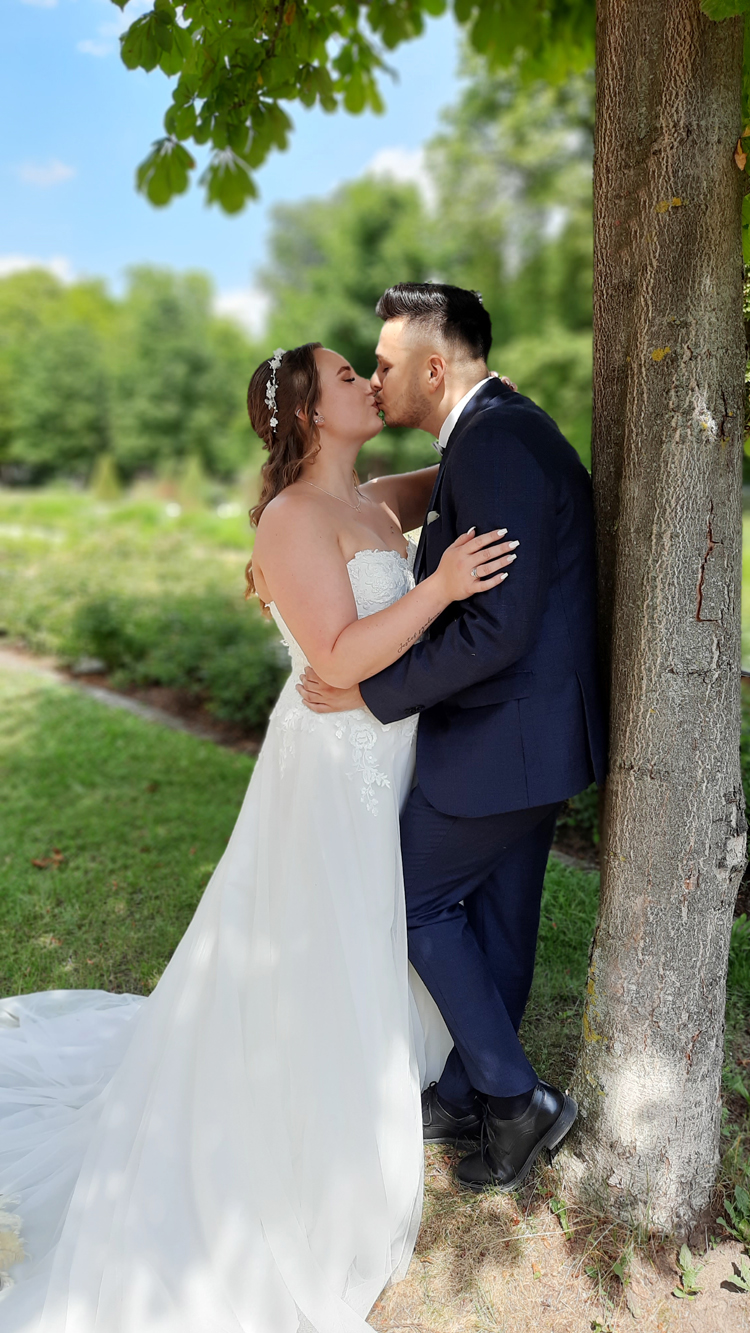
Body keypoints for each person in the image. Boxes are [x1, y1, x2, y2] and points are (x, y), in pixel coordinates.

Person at [0, 340, 517, 1333]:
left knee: (389, 917)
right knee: (328, 934)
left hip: (393, 753)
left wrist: (483, 403)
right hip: (332, 769)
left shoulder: (374, 501)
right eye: (348, 376)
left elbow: (458, 460)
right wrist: (442, 585)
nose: (367, 383)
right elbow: (339, 657)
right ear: (309, 412)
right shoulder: (291, 519)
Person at [299, 283, 608, 1193]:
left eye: (384, 364)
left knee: (414, 900)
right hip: (532, 737)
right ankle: (471, 1089)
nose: (375, 378)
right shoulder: (492, 431)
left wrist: (372, 693)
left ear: (435, 369)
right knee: (501, 917)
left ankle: (516, 1100)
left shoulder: (497, 442)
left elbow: (498, 631)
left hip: (505, 738)